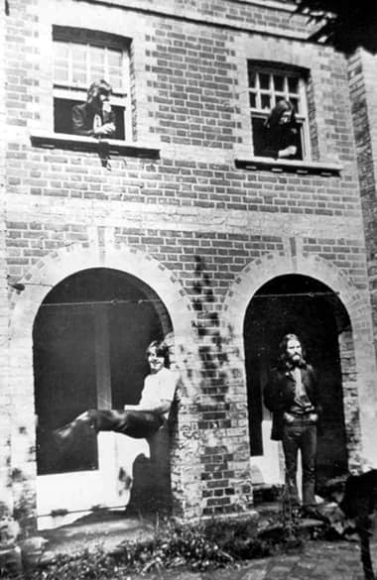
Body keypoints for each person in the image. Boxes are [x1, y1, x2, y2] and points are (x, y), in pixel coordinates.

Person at [53, 340, 179, 449]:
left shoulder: (167, 376)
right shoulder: (149, 378)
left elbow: (165, 406)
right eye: (151, 355)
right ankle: (67, 435)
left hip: (155, 422)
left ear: (165, 358)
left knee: (113, 417)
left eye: (159, 355)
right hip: (143, 419)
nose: (154, 358)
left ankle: (62, 437)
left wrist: (135, 408)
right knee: (95, 417)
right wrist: (136, 410)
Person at [263, 333, 322, 518]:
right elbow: (269, 400)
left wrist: (315, 414)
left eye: (297, 347)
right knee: (291, 466)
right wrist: (283, 415)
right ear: (285, 351)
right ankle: (294, 506)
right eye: (291, 348)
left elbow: (320, 396)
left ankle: (310, 505)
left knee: (310, 466)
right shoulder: (278, 374)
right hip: (291, 423)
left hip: (308, 423)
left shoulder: (309, 371)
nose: (295, 351)